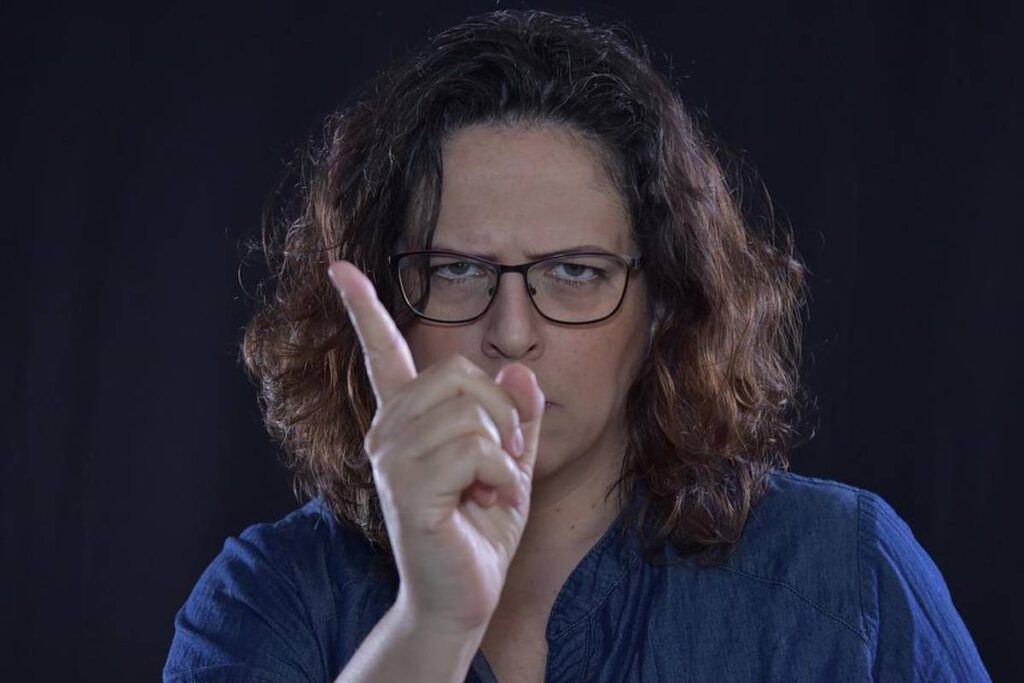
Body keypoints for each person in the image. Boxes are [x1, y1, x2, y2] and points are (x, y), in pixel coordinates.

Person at [163, 9, 990, 682]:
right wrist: (431, 626)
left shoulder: (843, 575)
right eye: (456, 270)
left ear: (663, 305)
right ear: (387, 301)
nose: (511, 333)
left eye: (574, 272)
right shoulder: (269, 596)